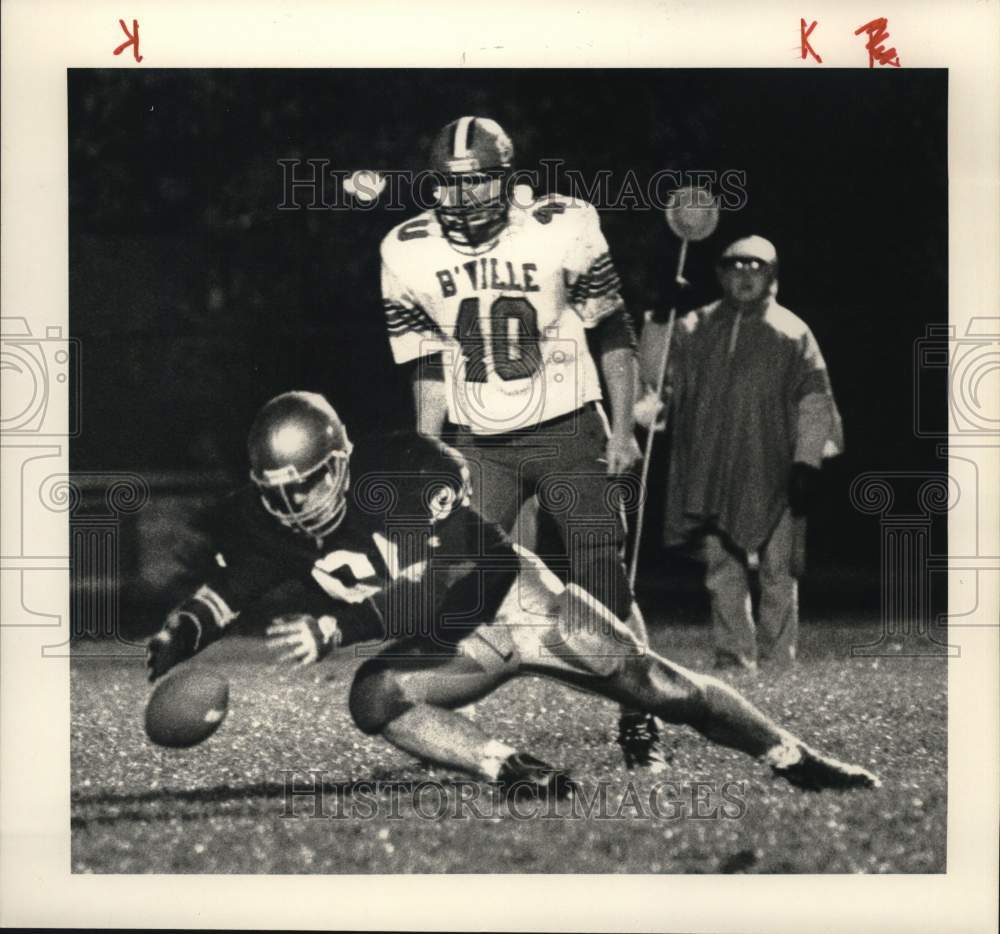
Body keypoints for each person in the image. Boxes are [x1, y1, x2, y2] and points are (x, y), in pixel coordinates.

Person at [146, 391, 879, 796]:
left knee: (659, 686)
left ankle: (792, 755)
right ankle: (514, 770)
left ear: (339, 462)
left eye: (305, 482)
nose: (294, 502)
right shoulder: (276, 522)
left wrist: (338, 628)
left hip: (513, 604)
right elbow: (230, 587)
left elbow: (455, 579)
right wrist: (183, 629)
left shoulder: (403, 471)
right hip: (456, 647)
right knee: (374, 699)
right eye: (278, 490)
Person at [378, 116, 661, 768]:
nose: (461, 199)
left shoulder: (563, 224)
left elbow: (612, 331)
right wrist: (427, 447)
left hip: (567, 426)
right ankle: (452, 728)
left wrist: (621, 430)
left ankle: (640, 716)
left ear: (508, 180)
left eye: (476, 182)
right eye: (447, 186)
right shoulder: (407, 247)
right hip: (479, 438)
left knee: (602, 586)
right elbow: (425, 361)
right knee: (456, 585)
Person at [637, 235, 843, 670]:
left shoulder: (792, 331)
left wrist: (807, 461)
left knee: (779, 570)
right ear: (720, 275)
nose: (745, 277)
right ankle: (733, 657)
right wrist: (659, 318)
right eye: (735, 268)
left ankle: (778, 660)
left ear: (772, 275)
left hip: (776, 467)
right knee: (721, 570)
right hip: (710, 468)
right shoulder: (695, 327)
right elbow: (655, 379)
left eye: (756, 268)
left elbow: (814, 400)